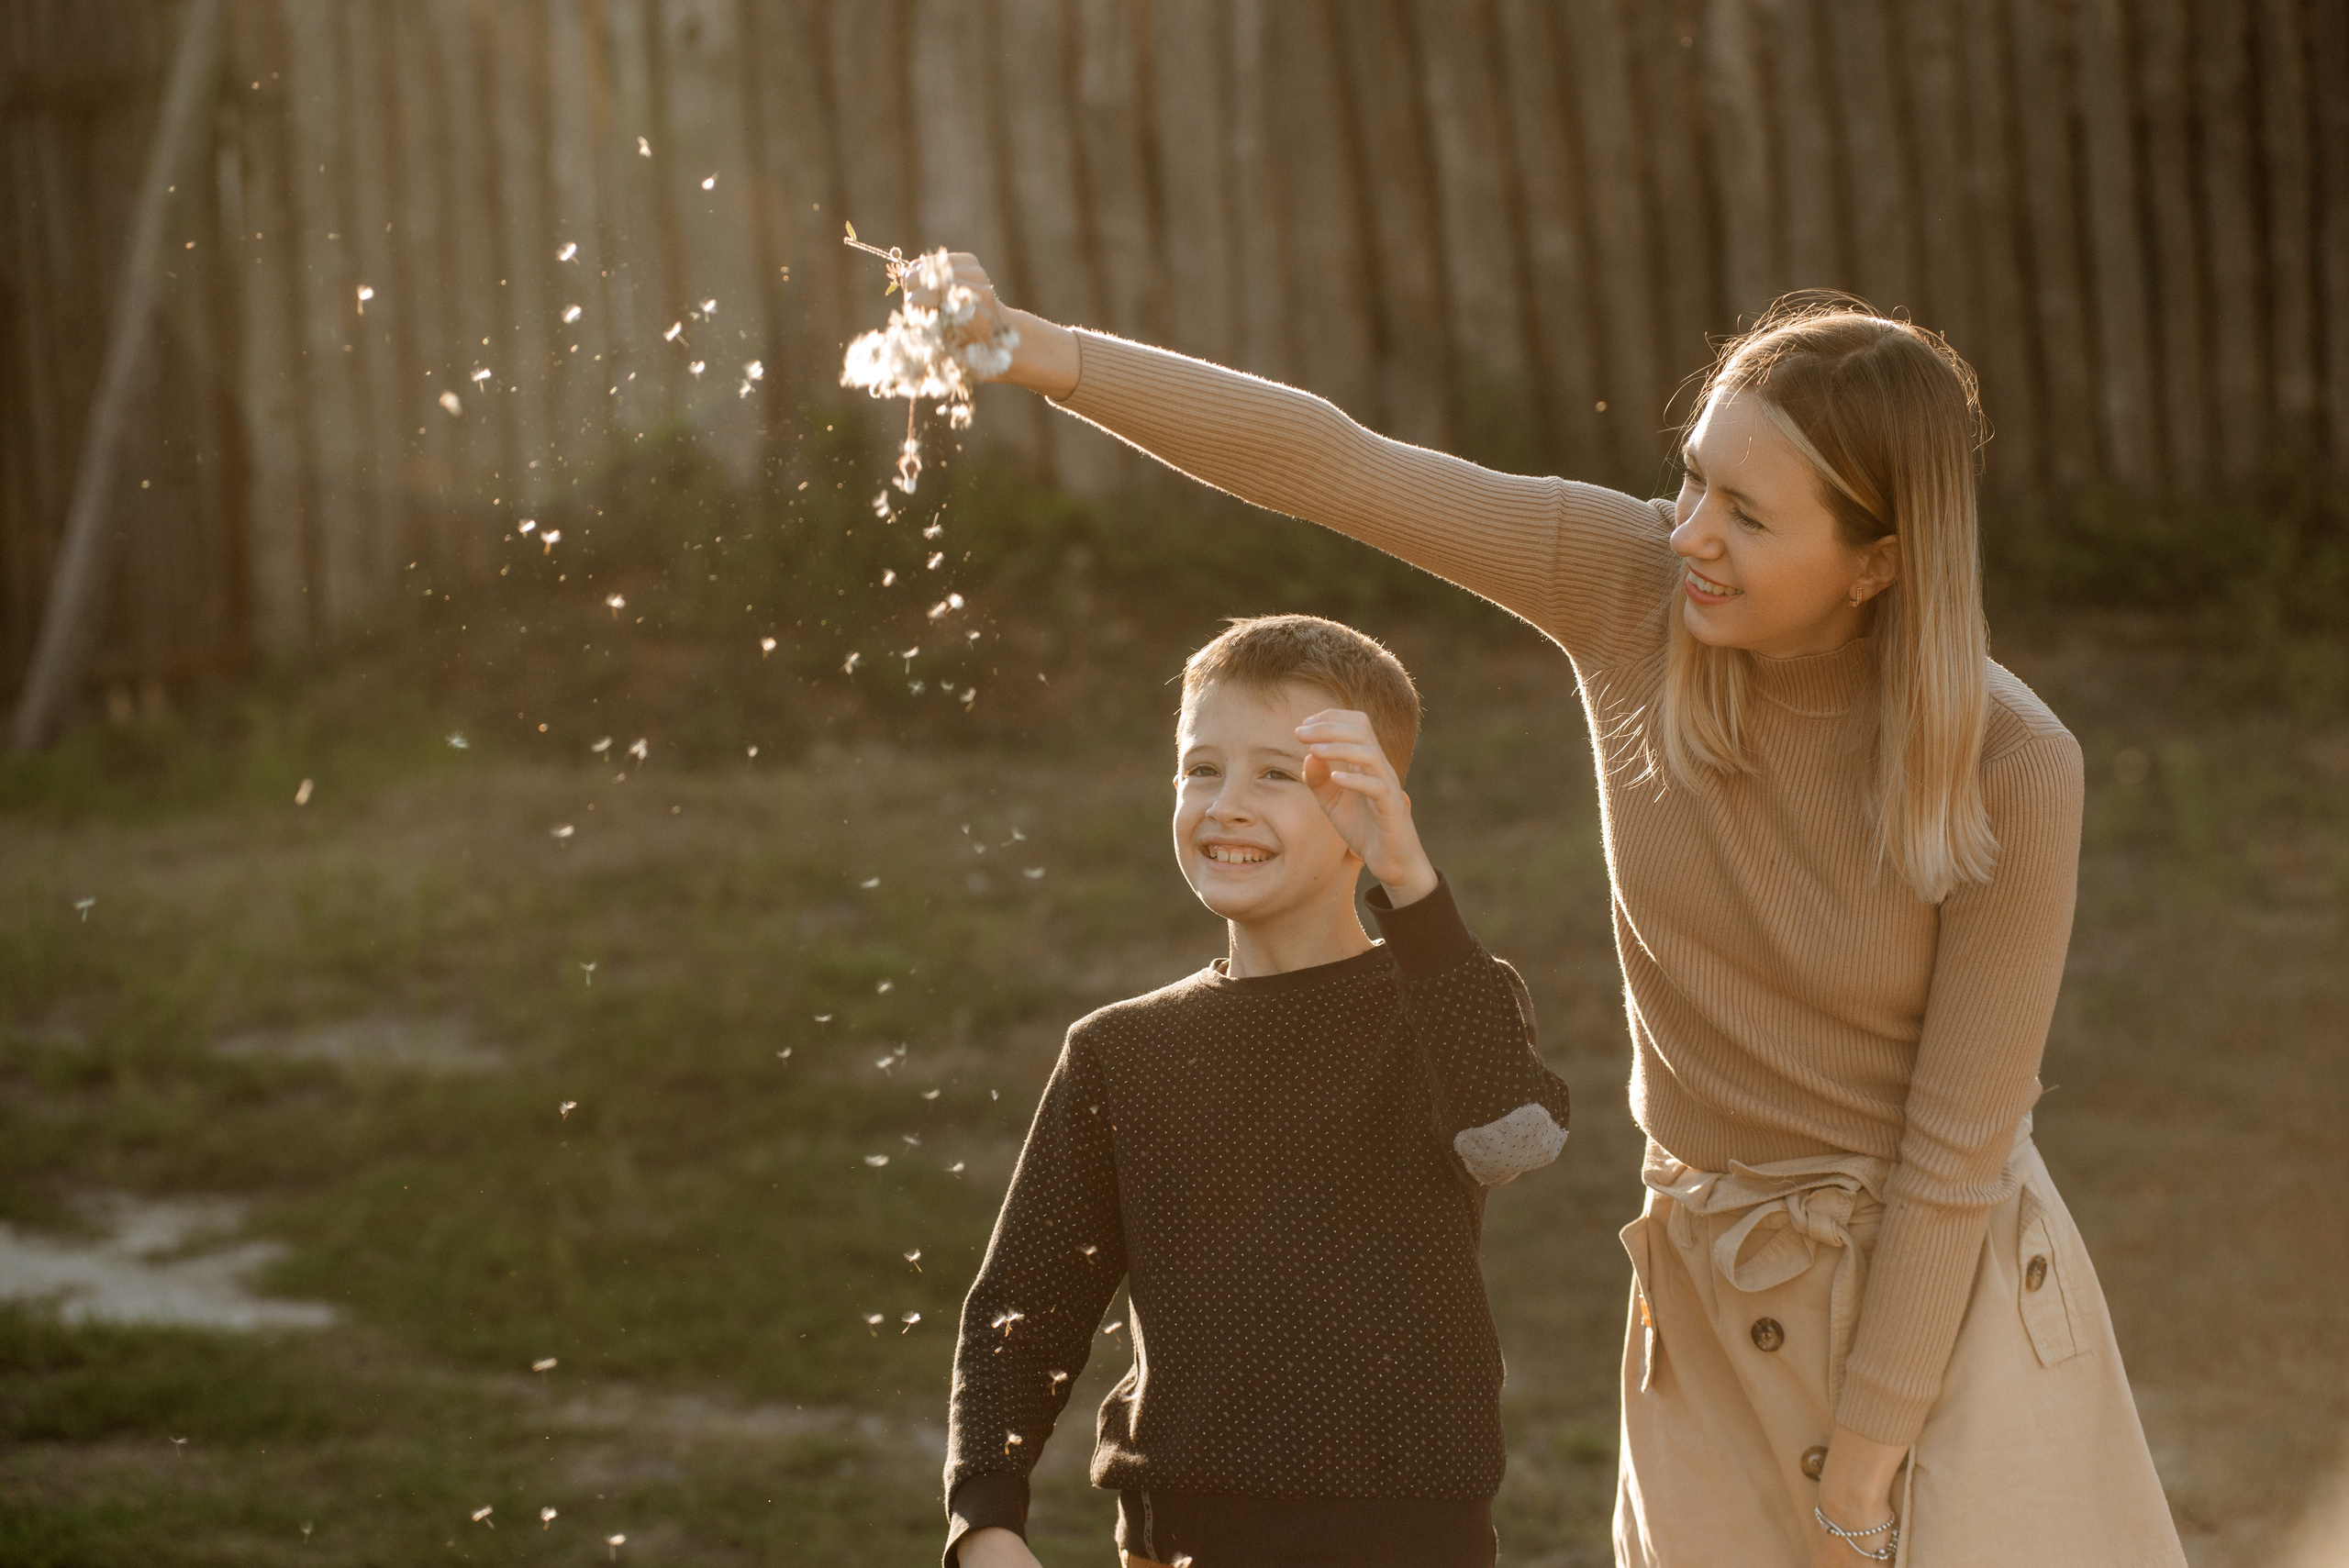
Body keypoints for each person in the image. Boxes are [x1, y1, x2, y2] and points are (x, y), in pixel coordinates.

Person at [918, 260, 2187, 1567]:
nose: (1689, 529)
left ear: (1877, 563)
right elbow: (1337, 463)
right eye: (1694, 475)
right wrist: (1040, 350)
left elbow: (1957, 1151)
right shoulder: (1627, 587)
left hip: (1944, 1323)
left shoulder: (2013, 764)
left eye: (1747, 514)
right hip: (1708, 1304)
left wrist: (1860, 1481)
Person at [945, 614, 1575, 1568]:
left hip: (1411, 1543)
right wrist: (984, 1520)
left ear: (1371, 804)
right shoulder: (1120, 1050)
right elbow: (1021, 1307)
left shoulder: (1449, 1003)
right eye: (1202, 769)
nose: (1227, 803)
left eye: (1278, 774)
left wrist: (1408, 879)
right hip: (1179, 1542)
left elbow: (1513, 1137)